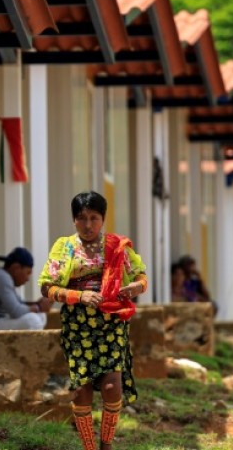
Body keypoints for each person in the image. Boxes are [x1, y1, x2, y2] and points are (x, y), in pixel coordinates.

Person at [39, 191, 148, 450]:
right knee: (81, 391)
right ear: (74, 220)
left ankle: (106, 443)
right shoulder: (64, 247)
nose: (88, 225)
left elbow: (141, 277)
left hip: (111, 324)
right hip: (78, 326)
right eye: (81, 218)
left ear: (103, 218)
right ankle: (89, 446)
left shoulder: (117, 246)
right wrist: (79, 295)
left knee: (112, 387)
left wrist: (133, 289)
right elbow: (47, 288)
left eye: (94, 218)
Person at [0, 247, 53, 330]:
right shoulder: (2, 277)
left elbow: (19, 303)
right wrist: (38, 307)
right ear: (16, 268)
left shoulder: (5, 277)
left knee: (41, 316)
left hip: (4, 320)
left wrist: (38, 303)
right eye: (27, 273)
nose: (27, 278)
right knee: (33, 321)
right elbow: (16, 311)